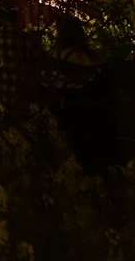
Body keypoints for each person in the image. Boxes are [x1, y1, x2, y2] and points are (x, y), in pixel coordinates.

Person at [48, 15, 117, 170]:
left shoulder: (59, 60)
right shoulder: (96, 59)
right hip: (101, 121)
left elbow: (55, 90)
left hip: (75, 120)